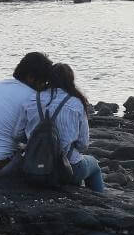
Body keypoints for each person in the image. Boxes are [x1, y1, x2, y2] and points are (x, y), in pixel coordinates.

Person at [44, 63, 105, 193]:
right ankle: (101, 201)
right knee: (93, 164)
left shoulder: (34, 99)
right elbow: (83, 145)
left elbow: (18, 134)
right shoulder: (76, 103)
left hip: (35, 166)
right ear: (70, 80)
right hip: (66, 167)